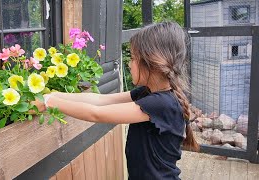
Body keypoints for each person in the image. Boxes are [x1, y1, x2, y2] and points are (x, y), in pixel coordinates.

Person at [33, 22, 199, 180]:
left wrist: (51, 102)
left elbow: (96, 113)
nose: (129, 63)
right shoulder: (148, 93)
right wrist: (55, 95)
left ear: (152, 63)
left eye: (133, 58)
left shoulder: (161, 103)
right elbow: (100, 100)